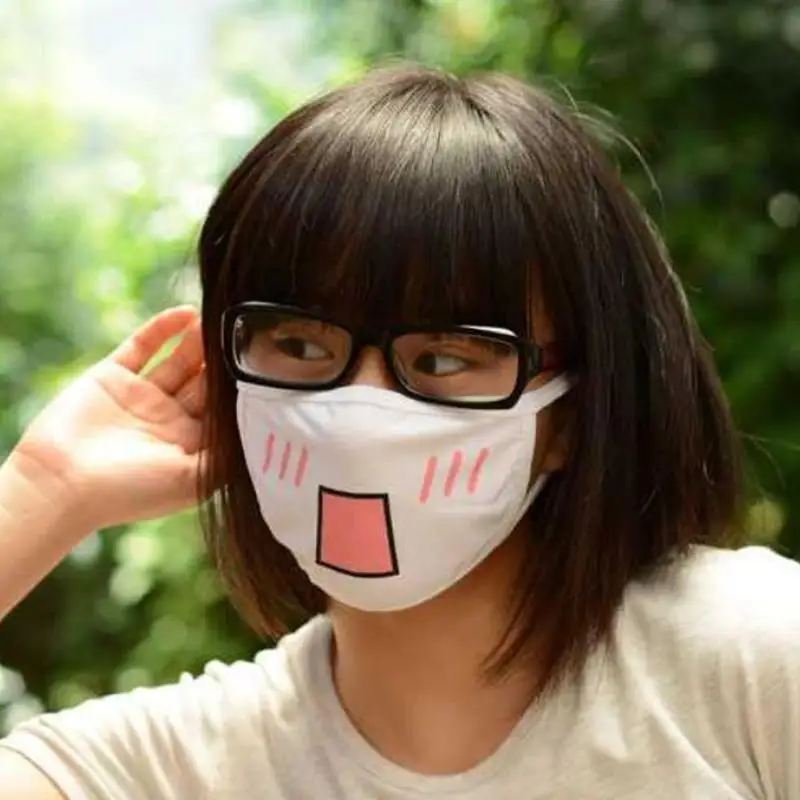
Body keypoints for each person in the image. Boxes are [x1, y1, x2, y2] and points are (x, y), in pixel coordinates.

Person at [0, 64, 798, 799]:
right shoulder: (164, 770)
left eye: (445, 358)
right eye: (301, 345)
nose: (360, 417)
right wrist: (42, 496)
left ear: (576, 410)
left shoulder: (752, 662)